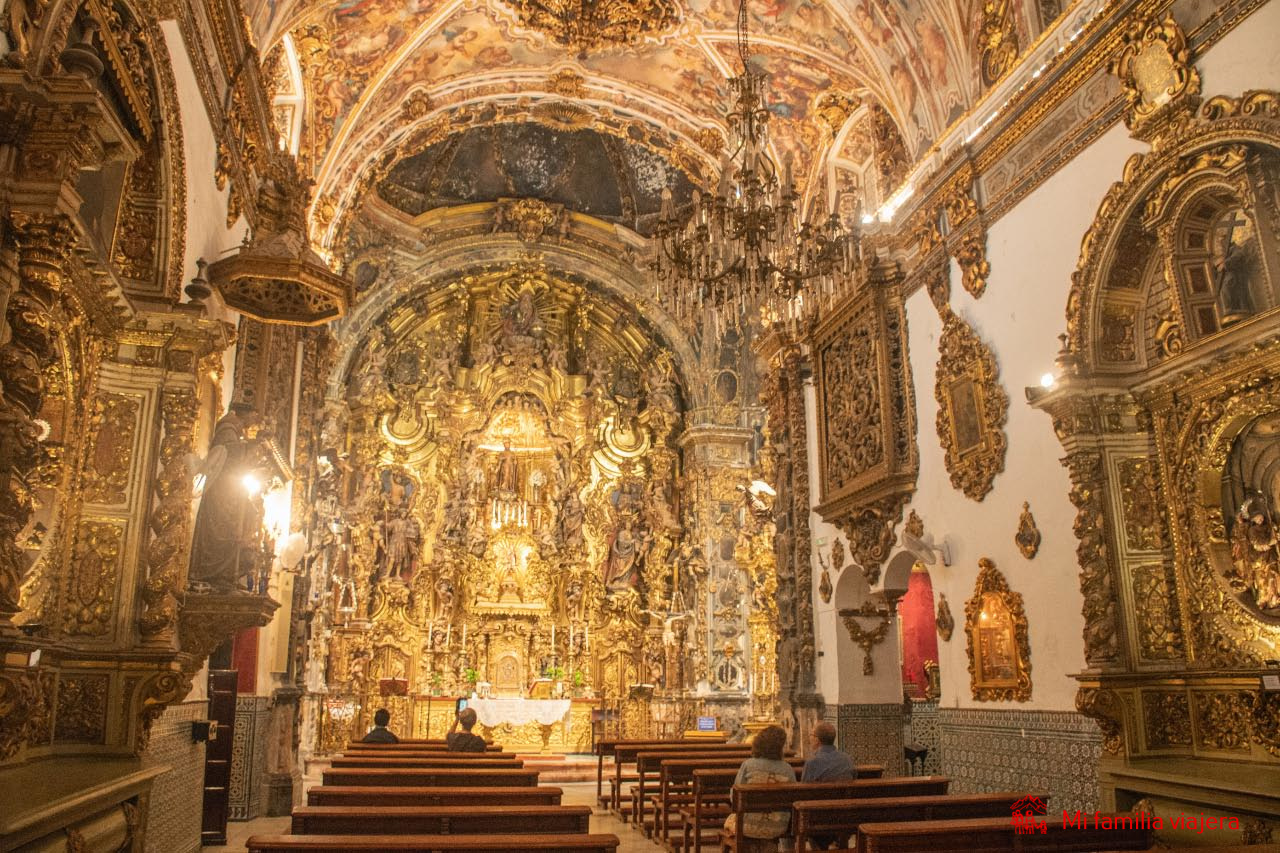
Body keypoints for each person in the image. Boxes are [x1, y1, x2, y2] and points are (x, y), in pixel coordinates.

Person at [725, 725, 794, 844]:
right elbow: (793, 798)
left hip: (746, 827)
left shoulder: (748, 765)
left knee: (730, 820)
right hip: (778, 827)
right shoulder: (787, 769)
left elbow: (734, 797)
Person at [801, 721, 857, 848]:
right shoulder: (847, 759)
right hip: (845, 813)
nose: (810, 738)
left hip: (819, 817)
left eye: (811, 735)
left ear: (817, 740)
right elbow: (854, 778)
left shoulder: (812, 762)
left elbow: (804, 791)